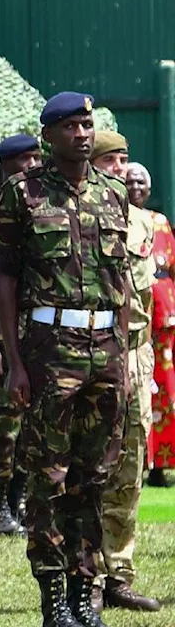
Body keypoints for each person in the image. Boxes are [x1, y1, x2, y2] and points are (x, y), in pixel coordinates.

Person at [0, 93, 130, 627]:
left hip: (106, 348)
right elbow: (3, 279)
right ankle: (54, 608)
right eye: (70, 125)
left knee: (95, 478)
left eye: (87, 124)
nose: (81, 133)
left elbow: (121, 284)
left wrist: (122, 355)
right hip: (50, 349)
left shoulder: (113, 193)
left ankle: (85, 600)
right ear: (48, 134)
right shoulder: (21, 194)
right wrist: (15, 361)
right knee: (49, 478)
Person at [91, 135, 162, 613]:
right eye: (110, 160)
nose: (120, 168)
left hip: (137, 355)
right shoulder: (82, 217)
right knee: (93, 465)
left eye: (123, 159)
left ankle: (119, 573)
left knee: (131, 467)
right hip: (95, 352)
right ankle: (87, 576)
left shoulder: (143, 224)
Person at [0, 134, 43, 536]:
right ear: (5, 165)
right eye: (24, 159)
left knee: (31, 423)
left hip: (37, 330)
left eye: (37, 156)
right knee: (3, 426)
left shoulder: (45, 203)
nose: (33, 164)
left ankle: (19, 502)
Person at [138, 162, 175, 483]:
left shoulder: (160, 222)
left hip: (164, 320)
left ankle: (162, 465)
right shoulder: (115, 216)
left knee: (165, 390)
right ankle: (139, 460)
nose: (136, 187)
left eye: (142, 183)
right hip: (134, 318)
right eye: (130, 182)